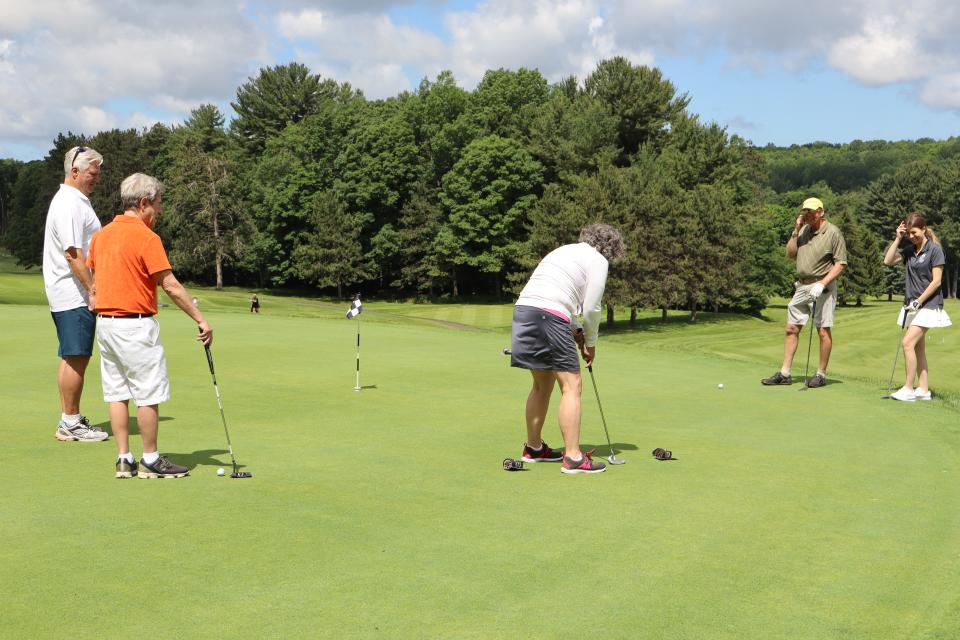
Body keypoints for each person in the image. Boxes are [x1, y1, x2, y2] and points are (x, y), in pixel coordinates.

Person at [86, 173, 213, 479]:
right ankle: (151, 460)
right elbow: (170, 284)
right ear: (143, 203)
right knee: (147, 394)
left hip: (105, 325)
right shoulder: (146, 238)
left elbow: (94, 278)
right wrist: (200, 319)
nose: (160, 210)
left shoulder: (101, 235)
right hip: (135, 325)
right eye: (158, 204)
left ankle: (124, 459)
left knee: (117, 393)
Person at [510, 223, 625, 474]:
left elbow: (557, 295)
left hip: (524, 312)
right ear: (611, 247)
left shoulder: (563, 251)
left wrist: (576, 330)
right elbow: (592, 307)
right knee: (572, 385)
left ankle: (534, 448)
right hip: (547, 316)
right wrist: (591, 344)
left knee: (542, 385)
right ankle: (573, 457)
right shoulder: (598, 260)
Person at [42, 145, 109, 442]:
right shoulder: (69, 203)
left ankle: (71, 419)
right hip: (73, 293)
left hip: (73, 291)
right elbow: (73, 254)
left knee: (76, 354)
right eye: (92, 174)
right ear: (75, 172)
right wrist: (93, 289)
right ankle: (69, 422)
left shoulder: (76, 201)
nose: (97, 179)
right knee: (75, 355)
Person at [762, 197, 848, 388]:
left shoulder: (833, 232)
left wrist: (823, 283)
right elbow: (790, 253)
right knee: (791, 328)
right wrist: (795, 230)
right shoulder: (803, 230)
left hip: (823, 286)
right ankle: (785, 373)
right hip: (802, 286)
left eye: (810, 211)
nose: (807, 214)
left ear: (821, 212)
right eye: (805, 211)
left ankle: (821, 374)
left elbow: (840, 263)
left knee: (823, 330)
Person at [882, 213, 951, 401]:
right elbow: (887, 260)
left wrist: (919, 301)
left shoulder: (935, 250)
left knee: (907, 343)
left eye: (914, 232)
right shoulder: (909, 250)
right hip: (912, 306)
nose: (911, 236)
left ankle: (908, 388)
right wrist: (897, 238)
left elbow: (936, 282)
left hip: (928, 305)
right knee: (918, 348)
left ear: (923, 229)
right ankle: (924, 389)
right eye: (908, 234)